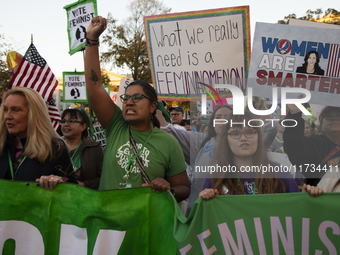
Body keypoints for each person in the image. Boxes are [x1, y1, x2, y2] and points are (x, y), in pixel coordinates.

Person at [84, 16, 190, 202]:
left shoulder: (169, 143)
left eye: (137, 97)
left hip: (146, 225)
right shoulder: (116, 126)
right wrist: (92, 40)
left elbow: (184, 188)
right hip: (108, 225)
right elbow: (94, 88)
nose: (128, 102)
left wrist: (168, 189)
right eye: (126, 98)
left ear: (152, 107)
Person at [199, 110, 299, 200]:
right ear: (226, 140)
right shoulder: (216, 176)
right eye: (235, 133)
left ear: (258, 137)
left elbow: (298, 207)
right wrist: (204, 200)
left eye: (250, 132)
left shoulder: (280, 173)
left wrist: (310, 196)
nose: (243, 138)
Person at [0, 87, 76, 190]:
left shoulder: (55, 148)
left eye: (15, 110)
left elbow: (73, 190)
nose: (7, 116)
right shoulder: (2, 145)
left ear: (33, 113)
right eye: (5, 110)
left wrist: (58, 182)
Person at [284, 105, 340, 186]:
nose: (334, 119)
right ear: (321, 125)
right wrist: (294, 114)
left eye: (339, 115)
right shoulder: (314, 144)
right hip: (319, 197)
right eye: (328, 116)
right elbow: (294, 148)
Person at [60, 108, 103, 189]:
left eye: (71, 121)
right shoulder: (55, 147)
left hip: (87, 197)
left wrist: (84, 184)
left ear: (83, 126)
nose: (66, 124)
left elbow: (104, 178)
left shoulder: (94, 148)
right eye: (63, 121)